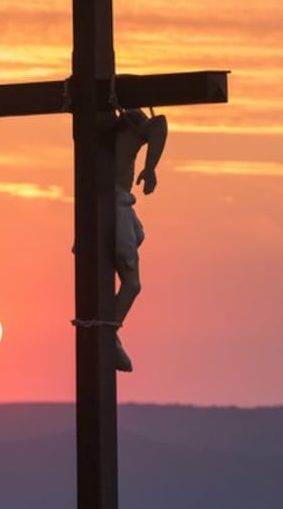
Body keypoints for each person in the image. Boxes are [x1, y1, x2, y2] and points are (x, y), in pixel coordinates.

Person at [112, 108, 167, 372]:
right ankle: (107, 333)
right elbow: (159, 125)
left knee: (139, 236)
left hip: (116, 202)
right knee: (132, 283)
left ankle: (108, 331)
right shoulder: (129, 124)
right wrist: (150, 168)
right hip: (114, 205)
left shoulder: (106, 131)